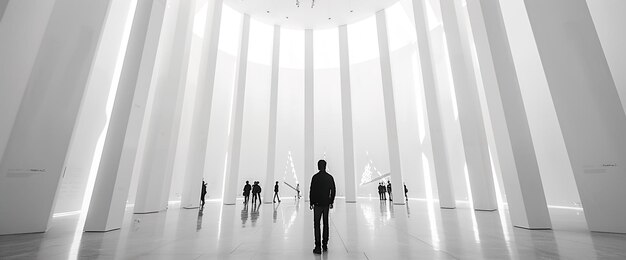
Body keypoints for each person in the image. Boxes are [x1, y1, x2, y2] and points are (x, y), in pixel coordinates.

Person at [309, 160, 336, 254]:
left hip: (317, 204)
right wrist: (331, 201)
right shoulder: (329, 177)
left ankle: (317, 246)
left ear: (318, 166)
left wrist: (311, 202)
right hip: (326, 204)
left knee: (316, 225)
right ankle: (325, 244)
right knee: (326, 224)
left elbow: (311, 190)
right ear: (325, 166)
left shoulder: (315, 177)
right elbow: (333, 190)